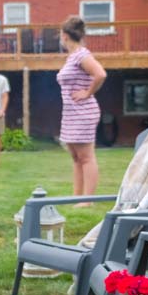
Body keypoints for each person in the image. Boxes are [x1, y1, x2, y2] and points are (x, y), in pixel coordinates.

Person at [57, 15, 107, 204]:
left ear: (64, 35)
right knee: (76, 158)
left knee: (86, 157)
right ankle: (77, 198)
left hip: (83, 112)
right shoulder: (73, 57)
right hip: (71, 113)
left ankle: (88, 200)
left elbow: (100, 74)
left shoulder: (82, 55)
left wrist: (87, 92)